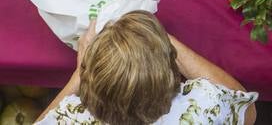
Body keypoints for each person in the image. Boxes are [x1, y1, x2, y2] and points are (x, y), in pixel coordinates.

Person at [35, 12, 257, 124]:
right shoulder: (203, 107)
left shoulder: (70, 118)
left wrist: (80, 73)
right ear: (172, 79)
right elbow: (247, 112)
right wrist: (162, 42)